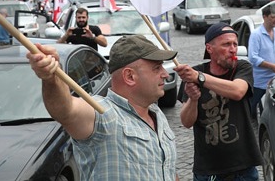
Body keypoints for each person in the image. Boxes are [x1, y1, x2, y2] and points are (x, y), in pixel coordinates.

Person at [27, 35, 178, 180]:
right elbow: (66, 110)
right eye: (157, 68)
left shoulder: (156, 112)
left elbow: (168, 170)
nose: (165, 74)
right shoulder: (104, 113)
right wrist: (52, 78)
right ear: (130, 77)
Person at [176, 24, 261, 181]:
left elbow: (237, 91)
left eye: (235, 44)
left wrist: (200, 78)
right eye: (226, 44)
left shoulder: (242, 68)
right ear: (210, 48)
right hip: (207, 171)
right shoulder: (193, 74)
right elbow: (187, 122)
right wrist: (193, 99)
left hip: (243, 169)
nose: (233, 49)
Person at [247, 6, 275, 117]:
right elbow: (253, 57)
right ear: (264, 17)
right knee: (252, 108)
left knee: (270, 110)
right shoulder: (256, 35)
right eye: (272, 17)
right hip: (259, 81)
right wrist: (272, 66)